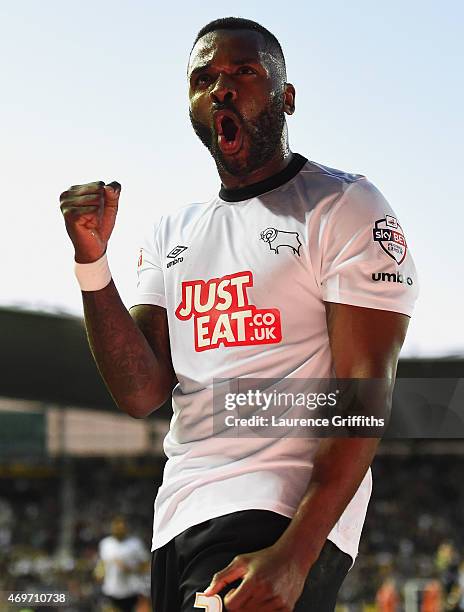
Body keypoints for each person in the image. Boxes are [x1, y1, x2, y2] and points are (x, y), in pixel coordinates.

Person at [59, 16, 418, 612]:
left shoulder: (343, 206)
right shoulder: (173, 232)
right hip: (178, 516)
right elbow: (142, 391)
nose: (221, 87)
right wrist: (93, 264)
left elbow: (363, 396)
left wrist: (297, 553)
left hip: (274, 513)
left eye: (243, 72)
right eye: (204, 78)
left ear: (287, 96)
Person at [95, 516, 150, 612]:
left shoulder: (135, 544)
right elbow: (103, 562)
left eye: (121, 528)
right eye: (116, 528)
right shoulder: (105, 543)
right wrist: (99, 572)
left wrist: (130, 569)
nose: (118, 530)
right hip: (111, 589)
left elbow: (146, 565)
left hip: (131, 591)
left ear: (126, 529)